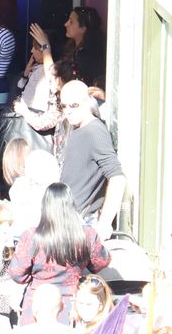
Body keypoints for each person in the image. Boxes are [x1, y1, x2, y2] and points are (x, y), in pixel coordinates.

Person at [7, 181, 110, 324]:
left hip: (38, 302)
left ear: (44, 206)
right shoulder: (87, 235)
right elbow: (100, 263)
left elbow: (16, 273)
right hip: (71, 304)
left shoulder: (31, 237)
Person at [54, 81, 126, 231]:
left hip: (81, 222)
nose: (68, 111)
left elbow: (117, 177)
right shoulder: (74, 127)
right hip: (67, 218)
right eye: (63, 106)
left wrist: (105, 223)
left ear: (87, 102)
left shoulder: (94, 131)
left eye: (74, 105)